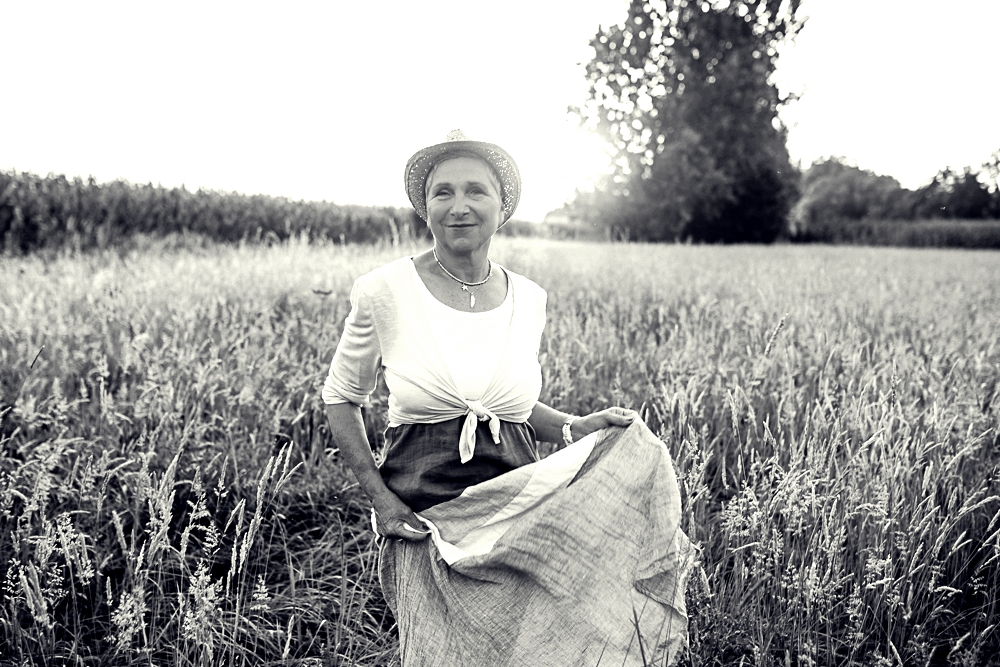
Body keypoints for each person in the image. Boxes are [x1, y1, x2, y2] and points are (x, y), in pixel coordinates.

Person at [321, 130, 691, 666]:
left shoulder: (529, 299)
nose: (459, 206)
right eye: (442, 193)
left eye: (476, 191)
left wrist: (573, 427)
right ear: (424, 208)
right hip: (427, 516)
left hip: (517, 508)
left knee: (528, 646)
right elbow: (341, 396)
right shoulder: (384, 291)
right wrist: (381, 501)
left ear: (502, 205)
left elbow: (506, 405)